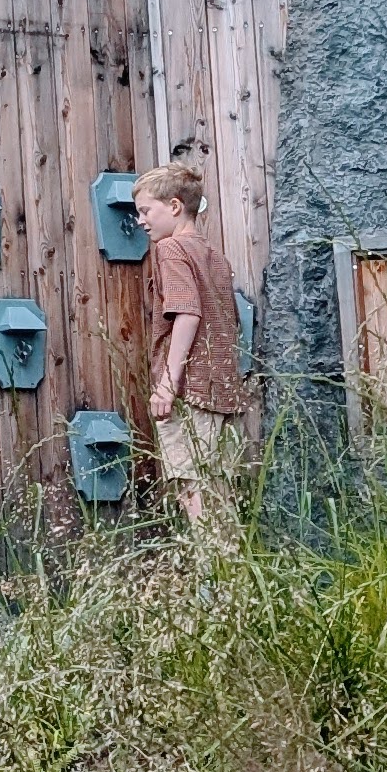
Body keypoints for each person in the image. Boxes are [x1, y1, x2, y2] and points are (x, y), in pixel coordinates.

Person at [137, 161, 248, 528]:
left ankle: (213, 580)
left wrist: (168, 385)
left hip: (191, 393)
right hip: (221, 393)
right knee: (222, 499)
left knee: (196, 498)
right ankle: (231, 581)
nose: (141, 221)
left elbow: (187, 313)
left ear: (173, 206)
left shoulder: (171, 249)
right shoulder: (213, 255)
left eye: (145, 210)